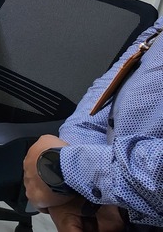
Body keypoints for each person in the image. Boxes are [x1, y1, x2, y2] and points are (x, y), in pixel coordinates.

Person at [23, 16, 163, 232]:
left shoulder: (72, 167)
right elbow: (138, 57)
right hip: (111, 205)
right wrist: (79, 190)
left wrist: (64, 167)